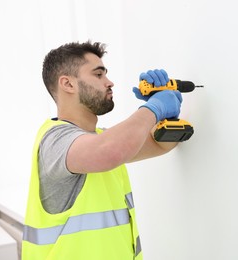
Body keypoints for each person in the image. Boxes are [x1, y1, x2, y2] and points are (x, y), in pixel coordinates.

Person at [22, 41, 183, 260]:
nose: (110, 82)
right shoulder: (55, 141)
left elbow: (162, 143)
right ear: (68, 84)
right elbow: (110, 151)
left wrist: (166, 116)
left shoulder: (99, 139)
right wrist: (153, 109)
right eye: (98, 75)